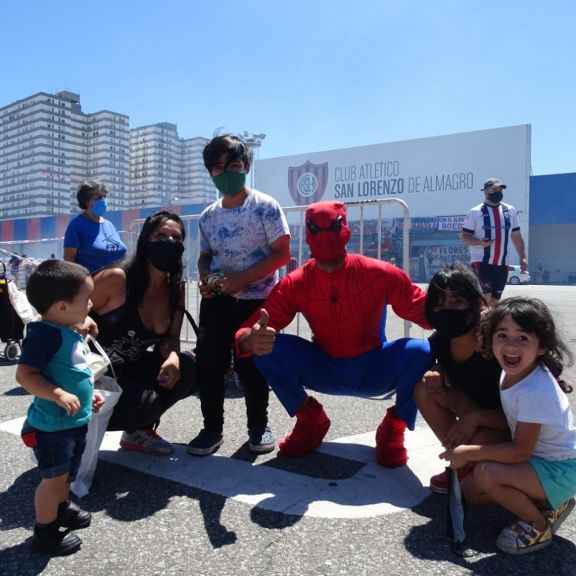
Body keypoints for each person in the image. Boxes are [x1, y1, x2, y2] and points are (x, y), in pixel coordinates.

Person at [236, 200, 434, 467]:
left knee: (421, 352)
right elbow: (249, 330)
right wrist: (250, 338)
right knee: (267, 347)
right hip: (325, 366)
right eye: (317, 230)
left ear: (346, 231)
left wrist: (467, 313)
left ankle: (394, 428)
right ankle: (310, 419)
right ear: (307, 236)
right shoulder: (296, 283)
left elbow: (424, 310)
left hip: (374, 366)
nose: (325, 237)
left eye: (332, 228)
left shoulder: (380, 273)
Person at [440, 297, 576, 555]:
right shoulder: (513, 373)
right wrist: (477, 418)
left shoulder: (535, 390)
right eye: (502, 335)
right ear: (490, 340)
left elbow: (520, 452)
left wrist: (470, 453)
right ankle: (550, 504)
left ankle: (538, 525)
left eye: (523, 338)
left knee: (486, 474)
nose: (511, 345)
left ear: (542, 346)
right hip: (542, 463)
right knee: (472, 493)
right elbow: (513, 421)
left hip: (560, 471)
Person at [187, 134, 291, 456]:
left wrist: (241, 279)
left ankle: (258, 426)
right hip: (217, 302)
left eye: (232, 165)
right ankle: (211, 429)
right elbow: (204, 256)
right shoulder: (208, 216)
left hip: (256, 302)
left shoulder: (265, 206)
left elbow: (282, 253)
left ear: (245, 166)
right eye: (217, 168)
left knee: (253, 366)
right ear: (210, 173)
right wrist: (206, 278)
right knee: (210, 364)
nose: (226, 173)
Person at [89, 210, 196, 456]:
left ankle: (137, 431)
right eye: (161, 235)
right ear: (145, 240)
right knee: (146, 404)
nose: (169, 242)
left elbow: (172, 338)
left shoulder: (175, 289)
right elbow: (66, 313)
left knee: (188, 369)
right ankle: (69, 426)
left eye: (176, 238)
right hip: (90, 376)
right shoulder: (117, 279)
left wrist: (173, 358)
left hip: (125, 370)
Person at [17, 260, 105, 556]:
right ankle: (45, 532)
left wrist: (85, 395)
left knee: (66, 475)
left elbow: (71, 368)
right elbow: (25, 375)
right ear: (63, 307)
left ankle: (62, 506)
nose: (91, 304)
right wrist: (58, 395)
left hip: (71, 423)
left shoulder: (63, 328)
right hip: (53, 428)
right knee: (52, 480)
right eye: (86, 299)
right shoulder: (45, 334)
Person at [414, 263, 510, 494]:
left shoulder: (500, 343)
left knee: (482, 442)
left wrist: (476, 418)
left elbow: (529, 414)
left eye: (457, 302)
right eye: (439, 304)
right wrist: (437, 368)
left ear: (476, 303)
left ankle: (489, 468)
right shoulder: (440, 343)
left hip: (515, 427)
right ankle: (464, 465)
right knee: (425, 388)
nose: (447, 310)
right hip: (478, 420)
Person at [460, 178, 528, 306]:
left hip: (502, 263)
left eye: (500, 189)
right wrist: (480, 243)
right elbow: (464, 236)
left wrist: (522, 256)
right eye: (494, 189)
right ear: (485, 192)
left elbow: (516, 236)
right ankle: (481, 325)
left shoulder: (510, 210)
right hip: (482, 261)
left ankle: (489, 324)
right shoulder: (475, 212)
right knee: (485, 299)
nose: (498, 191)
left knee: (495, 301)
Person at [63, 180, 127, 273]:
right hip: (92, 283)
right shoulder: (76, 225)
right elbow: (69, 260)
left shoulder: (109, 225)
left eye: (104, 197)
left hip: (119, 281)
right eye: (99, 198)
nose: (103, 201)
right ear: (86, 201)